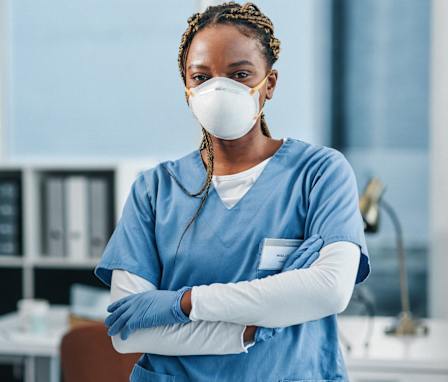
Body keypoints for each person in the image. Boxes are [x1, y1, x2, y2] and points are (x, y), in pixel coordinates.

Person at [94, 2, 371, 381]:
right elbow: (129, 329)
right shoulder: (155, 189)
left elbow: (329, 290)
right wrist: (252, 328)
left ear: (269, 84)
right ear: (187, 89)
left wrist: (181, 302)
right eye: (201, 77)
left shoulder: (319, 173)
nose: (218, 89)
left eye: (240, 74)